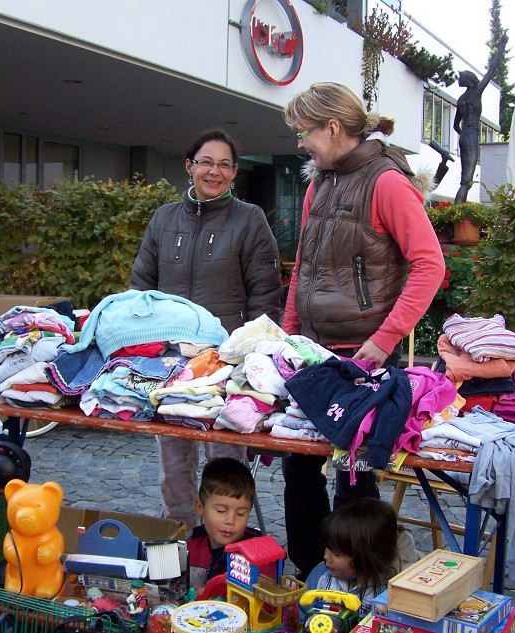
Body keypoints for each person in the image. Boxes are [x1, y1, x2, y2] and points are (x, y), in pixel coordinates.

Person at [280, 82, 444, 579]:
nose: (300, 143)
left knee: (353, 481)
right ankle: (311, 574)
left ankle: (367, 580)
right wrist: (285, 336)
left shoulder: (387, 183)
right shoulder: (318, 184)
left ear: (332, 128)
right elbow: (304, 268)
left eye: (303, 132)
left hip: (361, 357)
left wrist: (383, 340)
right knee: (299, 470)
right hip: (311, 350)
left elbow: (429, 265)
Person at [130, 129, 282, 530]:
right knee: (174, 468)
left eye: (224, 164)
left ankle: (225, 552)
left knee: (227, 464)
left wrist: (253, 359)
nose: (214, 171)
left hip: (226, 365)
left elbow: (265, 297)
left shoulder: (250, 220)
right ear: (189, 166)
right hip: (171, 366)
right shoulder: (164, 218)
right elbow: (140, 289)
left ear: (234, 173)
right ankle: (177, 546)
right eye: (206, 162)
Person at [312, 498, 419, 615]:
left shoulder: (394, 593)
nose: (326, 556)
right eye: (327, 547)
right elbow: (304, 614)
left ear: (368, 558)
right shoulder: (321, 574)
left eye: (336, 553)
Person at [186, 458, 277, 594]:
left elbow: (266, 603)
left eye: (240, 513)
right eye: (221, 511)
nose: (230, 520)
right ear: (200, 507)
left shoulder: (259, 558)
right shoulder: (191, 545)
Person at [454, 34, 508, 203]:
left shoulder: (461, 100)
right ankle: (456, 212)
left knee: (465, 176)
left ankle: (457, 211)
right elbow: (492, 69)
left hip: (464, 136)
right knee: (467, 180)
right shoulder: (476, 92)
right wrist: (502, 45)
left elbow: (456, 125)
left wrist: (464, 133)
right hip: (471, 134)